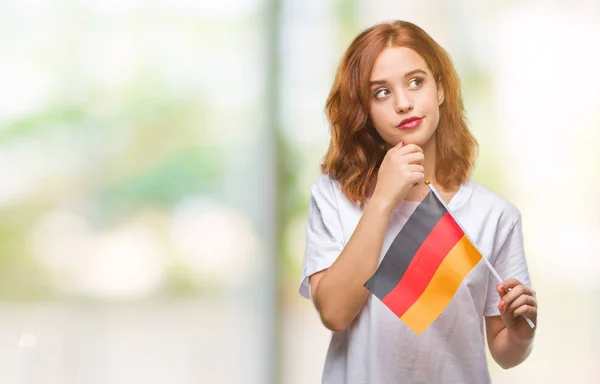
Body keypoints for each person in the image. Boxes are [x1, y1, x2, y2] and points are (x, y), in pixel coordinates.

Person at [299, 20, 537, 384]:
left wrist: (521, 333)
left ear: (440, 88)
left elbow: (504, 352)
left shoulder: (494, 215)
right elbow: (334, 313)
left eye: (416, 82)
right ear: (364, 111)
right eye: (381, 92)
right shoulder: (333, 197)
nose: (403, 103)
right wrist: (382, 199)